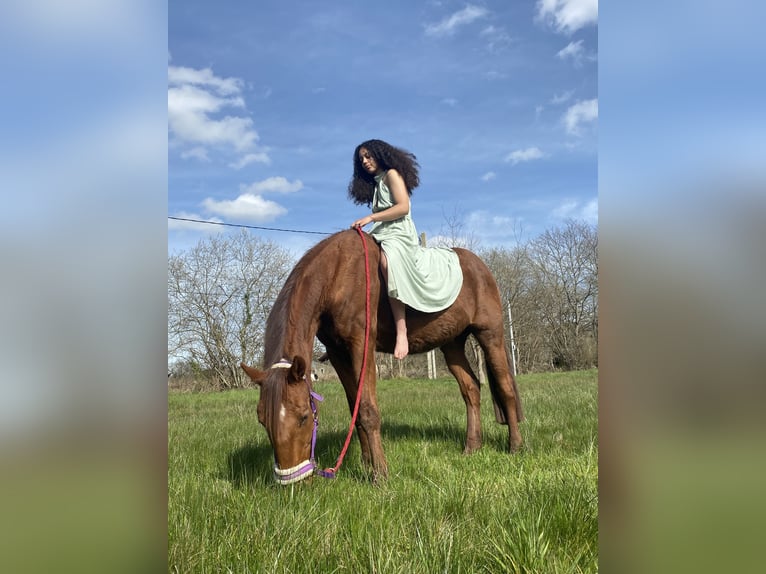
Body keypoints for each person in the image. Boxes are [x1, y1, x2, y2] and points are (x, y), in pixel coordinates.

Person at [350, 139, 463, 360]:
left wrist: (371, 217)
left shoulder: (392, 174)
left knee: (386, 262)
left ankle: (401, 331)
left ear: (380, 155)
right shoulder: (376, 184)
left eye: (368, 156)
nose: (365, 161)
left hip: (399, 233)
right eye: (361, 158)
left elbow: (403, 207)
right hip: (382, 230)